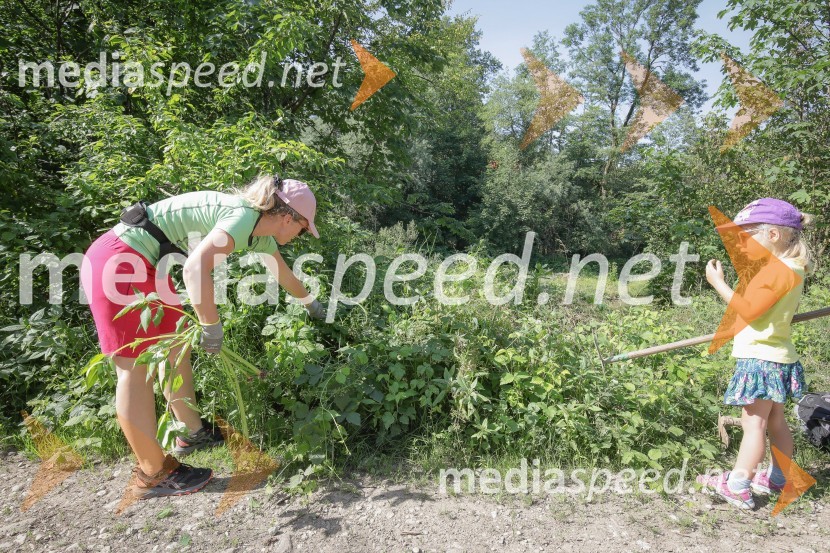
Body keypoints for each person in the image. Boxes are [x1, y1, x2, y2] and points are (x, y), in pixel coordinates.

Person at [80, 175, 327, 499]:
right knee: (134, 367)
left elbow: (283, 274)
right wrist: (211, 324)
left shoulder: (259, 236)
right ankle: (152, 473)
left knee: (178, 339)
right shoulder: (243, 217)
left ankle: (191, 433)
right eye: (302, 228)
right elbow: (194, 268)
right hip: (117, 261)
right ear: (286, 217)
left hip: (146, 264)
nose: (301, 235)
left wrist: (312, 306)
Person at [696, 198, 814, 509]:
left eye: (746, 236)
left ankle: (738, 485)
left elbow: (747, 310)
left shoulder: (776, 271)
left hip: (760, 360)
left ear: (772, 235)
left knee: (753, 425)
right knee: (776, 422)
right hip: (778, 357)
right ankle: (778, 478)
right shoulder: (793, 269)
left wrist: (718, 283)